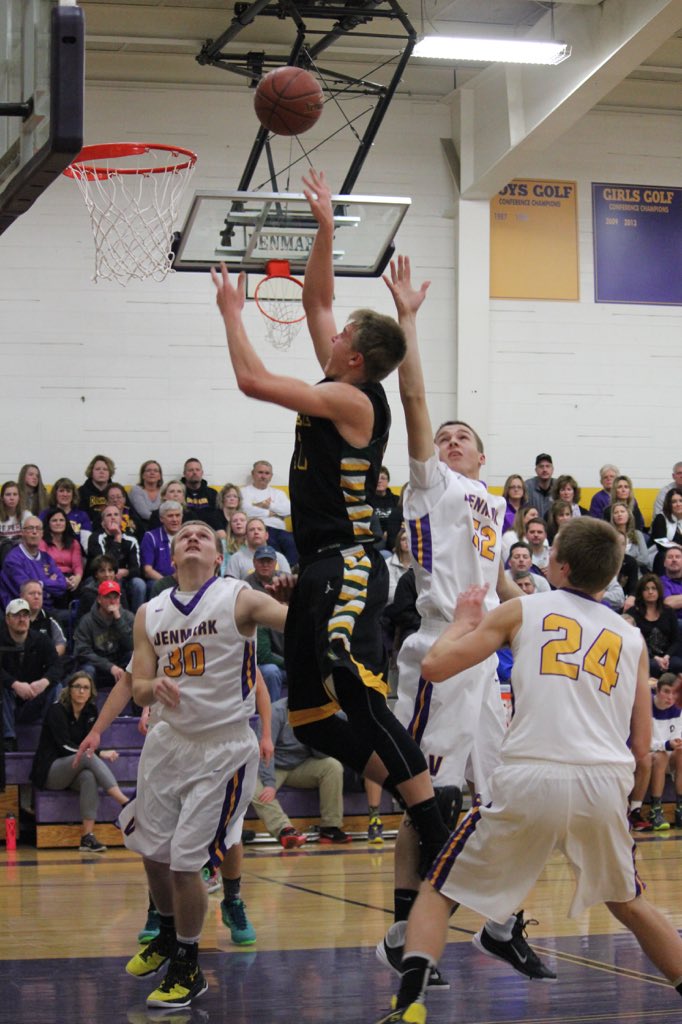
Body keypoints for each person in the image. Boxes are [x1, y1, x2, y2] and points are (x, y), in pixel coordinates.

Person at [213, 169, 448, 875]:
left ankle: (433, 823)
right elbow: (317, 298)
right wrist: (322, 227)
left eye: (343, 333)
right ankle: (420, 797)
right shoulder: (342, 374)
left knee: (355, 691)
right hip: (319, 565)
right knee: (314, 718)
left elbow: (252, 381)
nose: (333, 329)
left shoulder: (354, 401)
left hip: (351, 561)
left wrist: (231, 311)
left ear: (354, 357)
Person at [374, 518, 682, 1024]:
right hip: (604, 780)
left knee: (439, 888)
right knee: (630, 902)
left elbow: (434, 667)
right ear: (610, 577)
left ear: (559, 566)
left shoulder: (523, 609)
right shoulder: (631, 638)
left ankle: (408, 1005)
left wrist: (463, 621)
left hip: (532, 772)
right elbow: (643, 744)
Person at [378, 255, 552, 988]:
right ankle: (403, 933)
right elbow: (415, 396)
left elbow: (500, 581)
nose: (448, 440)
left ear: (484, 456)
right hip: (440, 649)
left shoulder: (496, 507)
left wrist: (542, 610)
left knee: (512, 796)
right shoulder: (433, 485)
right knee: (432, 799)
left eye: (461, 437)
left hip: (485, 662)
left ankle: (501, 925)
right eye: (443, 436)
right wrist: (408, 321)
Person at [119, 519, 289, 1009]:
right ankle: (167, 934)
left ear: (219, 556)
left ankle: (189, 966)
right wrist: (154, 687)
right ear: (172, 557)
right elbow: (138, 688)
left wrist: (294, 604)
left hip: (223, 747)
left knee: (185, 861)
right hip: (169, 743)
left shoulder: (238, 597)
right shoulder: (149, 612)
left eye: (203, 535)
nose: (192, 537)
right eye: (183, 535)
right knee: (152, 851)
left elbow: (289, 620)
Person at [30, 670, 128, 853]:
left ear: (91, 692)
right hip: (51, 771)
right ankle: (124, 802)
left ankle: (87, 837)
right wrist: (99, 753)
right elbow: (64, 746)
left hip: (75, 770)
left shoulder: (90, 711)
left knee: (88, 777)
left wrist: (94, 752)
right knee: (87, 757)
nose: (81, 691)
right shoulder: (56, 710)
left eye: (86, 688)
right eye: (77, 687)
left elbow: (89, 742)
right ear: (69, 689)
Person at [250, 696, 350, 846]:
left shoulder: (320, 713)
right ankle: (285, 830)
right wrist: (269, 783)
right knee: (253, 788)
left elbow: (321, 754)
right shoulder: (276, 712)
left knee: (333, 766)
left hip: (301, 765)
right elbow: (264, 752)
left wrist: (318, 732)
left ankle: (330, 827)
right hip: (274, 765)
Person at [1, 597, 63, 748]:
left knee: (56, 687)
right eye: (17, 615)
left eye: (25, 615)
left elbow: (57, 666)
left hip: (34, 697)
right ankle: (9, 739)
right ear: (7, 619)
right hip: (7, 700)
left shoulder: (41, 640)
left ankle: (53, 736)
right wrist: (14, 684)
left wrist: (44, 682)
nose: (22, 619)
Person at [628, 673, 682, 833]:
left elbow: (678, 735)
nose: (670, 697)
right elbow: (641, 742)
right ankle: (655, 810)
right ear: (657, 690)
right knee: (661, 756)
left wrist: (676, 742)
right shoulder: (645, 707)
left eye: (674, 693)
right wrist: (665, 745)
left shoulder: (678, 708)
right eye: (666, 691)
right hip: (648, 753)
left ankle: (679, 809)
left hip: (667, 753)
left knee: (680, 754)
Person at [73, 580, 135, 689]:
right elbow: (82, 652)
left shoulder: (128, 617)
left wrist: (119, 620)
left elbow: (133, 646)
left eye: (115, 597)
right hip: (97, 666)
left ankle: (137, 698)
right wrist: (109, 667)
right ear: (99, 599)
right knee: (87, 670)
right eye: (107, 597)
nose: (112, 601)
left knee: (134, 658)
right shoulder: (87, 621)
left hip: (120, 664)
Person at [0, 517, 67, 612]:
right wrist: (49, 584)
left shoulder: (46, 558)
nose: (34, 532)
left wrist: (40, 583)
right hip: (24, 612)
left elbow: (62, 585)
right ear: (22, 533)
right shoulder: (13, 559)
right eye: (30, 528)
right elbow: (28, 591)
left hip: (49, 609)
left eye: (38, 528)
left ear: (42, 534)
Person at [87, 505, 145, 611]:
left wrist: (126, 572)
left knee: (139, 584)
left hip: (125, 578)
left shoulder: (131, 539)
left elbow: (137, 569)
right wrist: (117, 538)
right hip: (102, 577)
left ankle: (136, 617)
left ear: (121, 519)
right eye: (109, 515)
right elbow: (103, 564)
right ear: (102, 522)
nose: (113, 517)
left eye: (116, 515)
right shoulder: (96, 538)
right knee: (115, 581)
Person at [248, 544, 287, 701]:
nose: (265, 565)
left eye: (269, 561)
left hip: (283, 646)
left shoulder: (286, 581)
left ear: (275, 563)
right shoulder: (246, 587)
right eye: (261, 561)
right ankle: (272, 712)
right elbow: (263, 655)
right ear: (254, 562)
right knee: (271, 671)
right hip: (261, 659)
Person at [241, 460, 297, 564]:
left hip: (280, 530)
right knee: (272, 546)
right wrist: (270, 513)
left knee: (292, 541)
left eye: (267, 473)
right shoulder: (244, 492)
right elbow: (245, 510)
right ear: (253, 474)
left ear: (271, 476)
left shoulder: (278, 493)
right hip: (260, 529)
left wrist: (269, 505)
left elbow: (289, 510)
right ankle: (277, 570)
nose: (263, 476)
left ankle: (290, 569)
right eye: (260, 472)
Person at [630, 573, 679, 678]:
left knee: (677, 664)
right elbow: (633, 642)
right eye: (646, 589)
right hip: (645, 656)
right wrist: (655, 658)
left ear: (659, 591)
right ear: (641, 592)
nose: (650, 592)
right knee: (653, 666)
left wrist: (667, 656)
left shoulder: (668, 611)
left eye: (654, 588)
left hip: (667, 656)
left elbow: (676, 640)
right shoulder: (633, 613)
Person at [225, 517, 291, 580]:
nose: (256, 532)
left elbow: (289, 583)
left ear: (266, 535)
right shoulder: (236, 559)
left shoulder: (279, 558)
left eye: (259, 529)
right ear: (246, 536)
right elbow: (229, 585)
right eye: (252, 530)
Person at [40, 508, 83, 595]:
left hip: (70, 577)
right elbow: (44, 564)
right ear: (48, 523)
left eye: (61, 520)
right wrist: (60, 579)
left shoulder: (74, 543)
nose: (58, 523)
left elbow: (77, 565)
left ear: (66, 523)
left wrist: (77, 579)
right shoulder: (42, 542)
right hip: (52, 576)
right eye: (54, 520)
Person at [140, 501, 184, 585]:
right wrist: (168, 583)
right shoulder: (150, 537)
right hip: (159, 581)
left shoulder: (189, 536)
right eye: (170, 516)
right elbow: (147, 570)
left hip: (185, 580)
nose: (175, 520)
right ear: (161, 519)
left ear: (182, 517)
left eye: (178, 515)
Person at [21, 579, 67, 657]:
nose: (36, 597)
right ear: (22, 597)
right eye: (31, 593)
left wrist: (46, 659)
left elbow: (61, 644)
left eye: (39, 594)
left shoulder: (51, 618)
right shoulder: (15, 618)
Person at [41, 477, 92, 542]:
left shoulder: (82, 516)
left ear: (73, 495)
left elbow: (87, 541)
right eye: (61, 491)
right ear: (55, 493)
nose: (65, 494)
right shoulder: (45, 514)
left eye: (68, 491)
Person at [78, 455, 117, 530]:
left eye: (105, 469)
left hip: (114, 529)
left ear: (110, 473)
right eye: (97, 469)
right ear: (91, 472)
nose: (101, 472)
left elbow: (129, 512)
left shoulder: (117, 491)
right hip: (89, 531)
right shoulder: (81, 492)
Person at [650, 488, 682, 575]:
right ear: (669, 504)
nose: (678, 504)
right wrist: (679, 548)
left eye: (681, 501)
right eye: (674, 502)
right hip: (663, 553)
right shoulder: (661, 518)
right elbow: (661, 543)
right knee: (663, 556)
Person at [610, 501, 649, 571]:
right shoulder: (609, 535)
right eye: (616, 512)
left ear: (628, 515)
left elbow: (645, 559)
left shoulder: (637, 534)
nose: (619, 514)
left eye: (622, 511)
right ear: (613, 517)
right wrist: (633, 558)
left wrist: (626, 561)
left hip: (636, 573)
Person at [181, 458, 219, 526]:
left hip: (208, 529)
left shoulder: (212, 493)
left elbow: (218, 517)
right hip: (185, 529)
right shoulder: (178, 492)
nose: (194, 472)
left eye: (197, 470)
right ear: (184, 473)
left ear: (202, 473)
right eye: (191, 470)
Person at [370, 465, 400, 547]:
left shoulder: (396, 500)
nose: (379, 481)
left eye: (383, 478)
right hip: (375, 540)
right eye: (377, 478)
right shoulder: (368, 500)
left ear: (388, 481)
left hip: (394, 539)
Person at [129, 460, 164, 525]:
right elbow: (144, 514)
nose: (152, 473)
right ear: (143, 475)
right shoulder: (136, 490)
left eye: (156, 471)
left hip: (163, 524)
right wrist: (165, 519)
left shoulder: (164, 491)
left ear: (159, 476)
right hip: (142, 526)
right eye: (148, 470)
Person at [524, 454, 555, 520]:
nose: (544, 469)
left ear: (552, 469)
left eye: (547, 466)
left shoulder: (558, 486)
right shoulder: (527, 486)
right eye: (541, 466)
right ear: (536, 470)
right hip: (532, 525)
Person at [385, 527, 411, 603]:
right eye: (403, 539)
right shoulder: (388, 563)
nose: (407, 542)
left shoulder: (419, 564)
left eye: (409, 539)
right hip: (396, 605)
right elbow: (391, 594)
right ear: (398, 542)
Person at [660, 546, 682, 623]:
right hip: (674, 622)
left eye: (677, 557)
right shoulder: (660, 582)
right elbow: (668, 603)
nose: (674, 560)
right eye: (670, 557)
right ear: (664, 563)